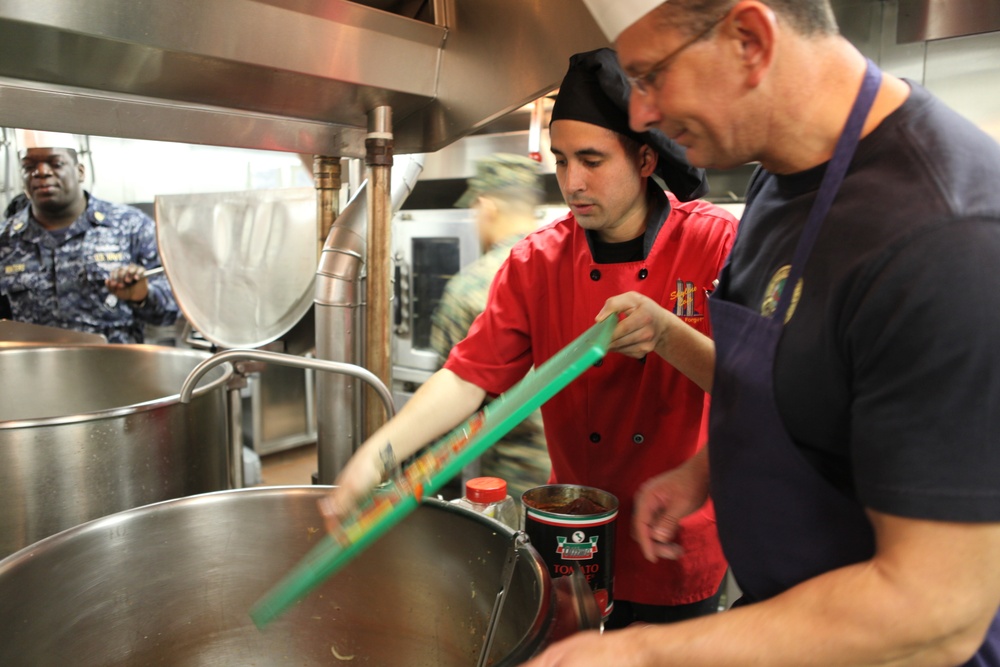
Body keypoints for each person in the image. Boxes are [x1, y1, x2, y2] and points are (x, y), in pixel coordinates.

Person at [522, 1, 1000, 665]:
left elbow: (937, 611)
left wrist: (645, 653)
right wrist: (705, 469)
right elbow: (809, 391)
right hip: (788, 621)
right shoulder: (777, 187)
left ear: (748, 39)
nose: (641, 116)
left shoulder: (945, 237)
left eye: (650, 76)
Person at [321, 47, 739, 629]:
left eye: (592, 160)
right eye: (563, 161)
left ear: (645, 159)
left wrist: (668, 334)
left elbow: (761, 386)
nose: (572, 182)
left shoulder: (714, 244)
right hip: (568, 533)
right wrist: (375, 457)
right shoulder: (535, 262)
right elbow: (468, 377)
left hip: (674, 538)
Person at [431, 153, 552, 504]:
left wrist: (442, 498)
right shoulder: (570, 268)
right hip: (587, 473)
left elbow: (447, 415)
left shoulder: (470, 285)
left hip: (517, 479)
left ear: (487, 207)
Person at [0, 131, 178, 343]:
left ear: (80, 171)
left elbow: (172, 311)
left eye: (55, 163)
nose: (41, 172)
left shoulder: (131, 226)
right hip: (32, 369)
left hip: (115, 368)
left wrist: (143, 295)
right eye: (29, 166)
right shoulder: (6, 239)